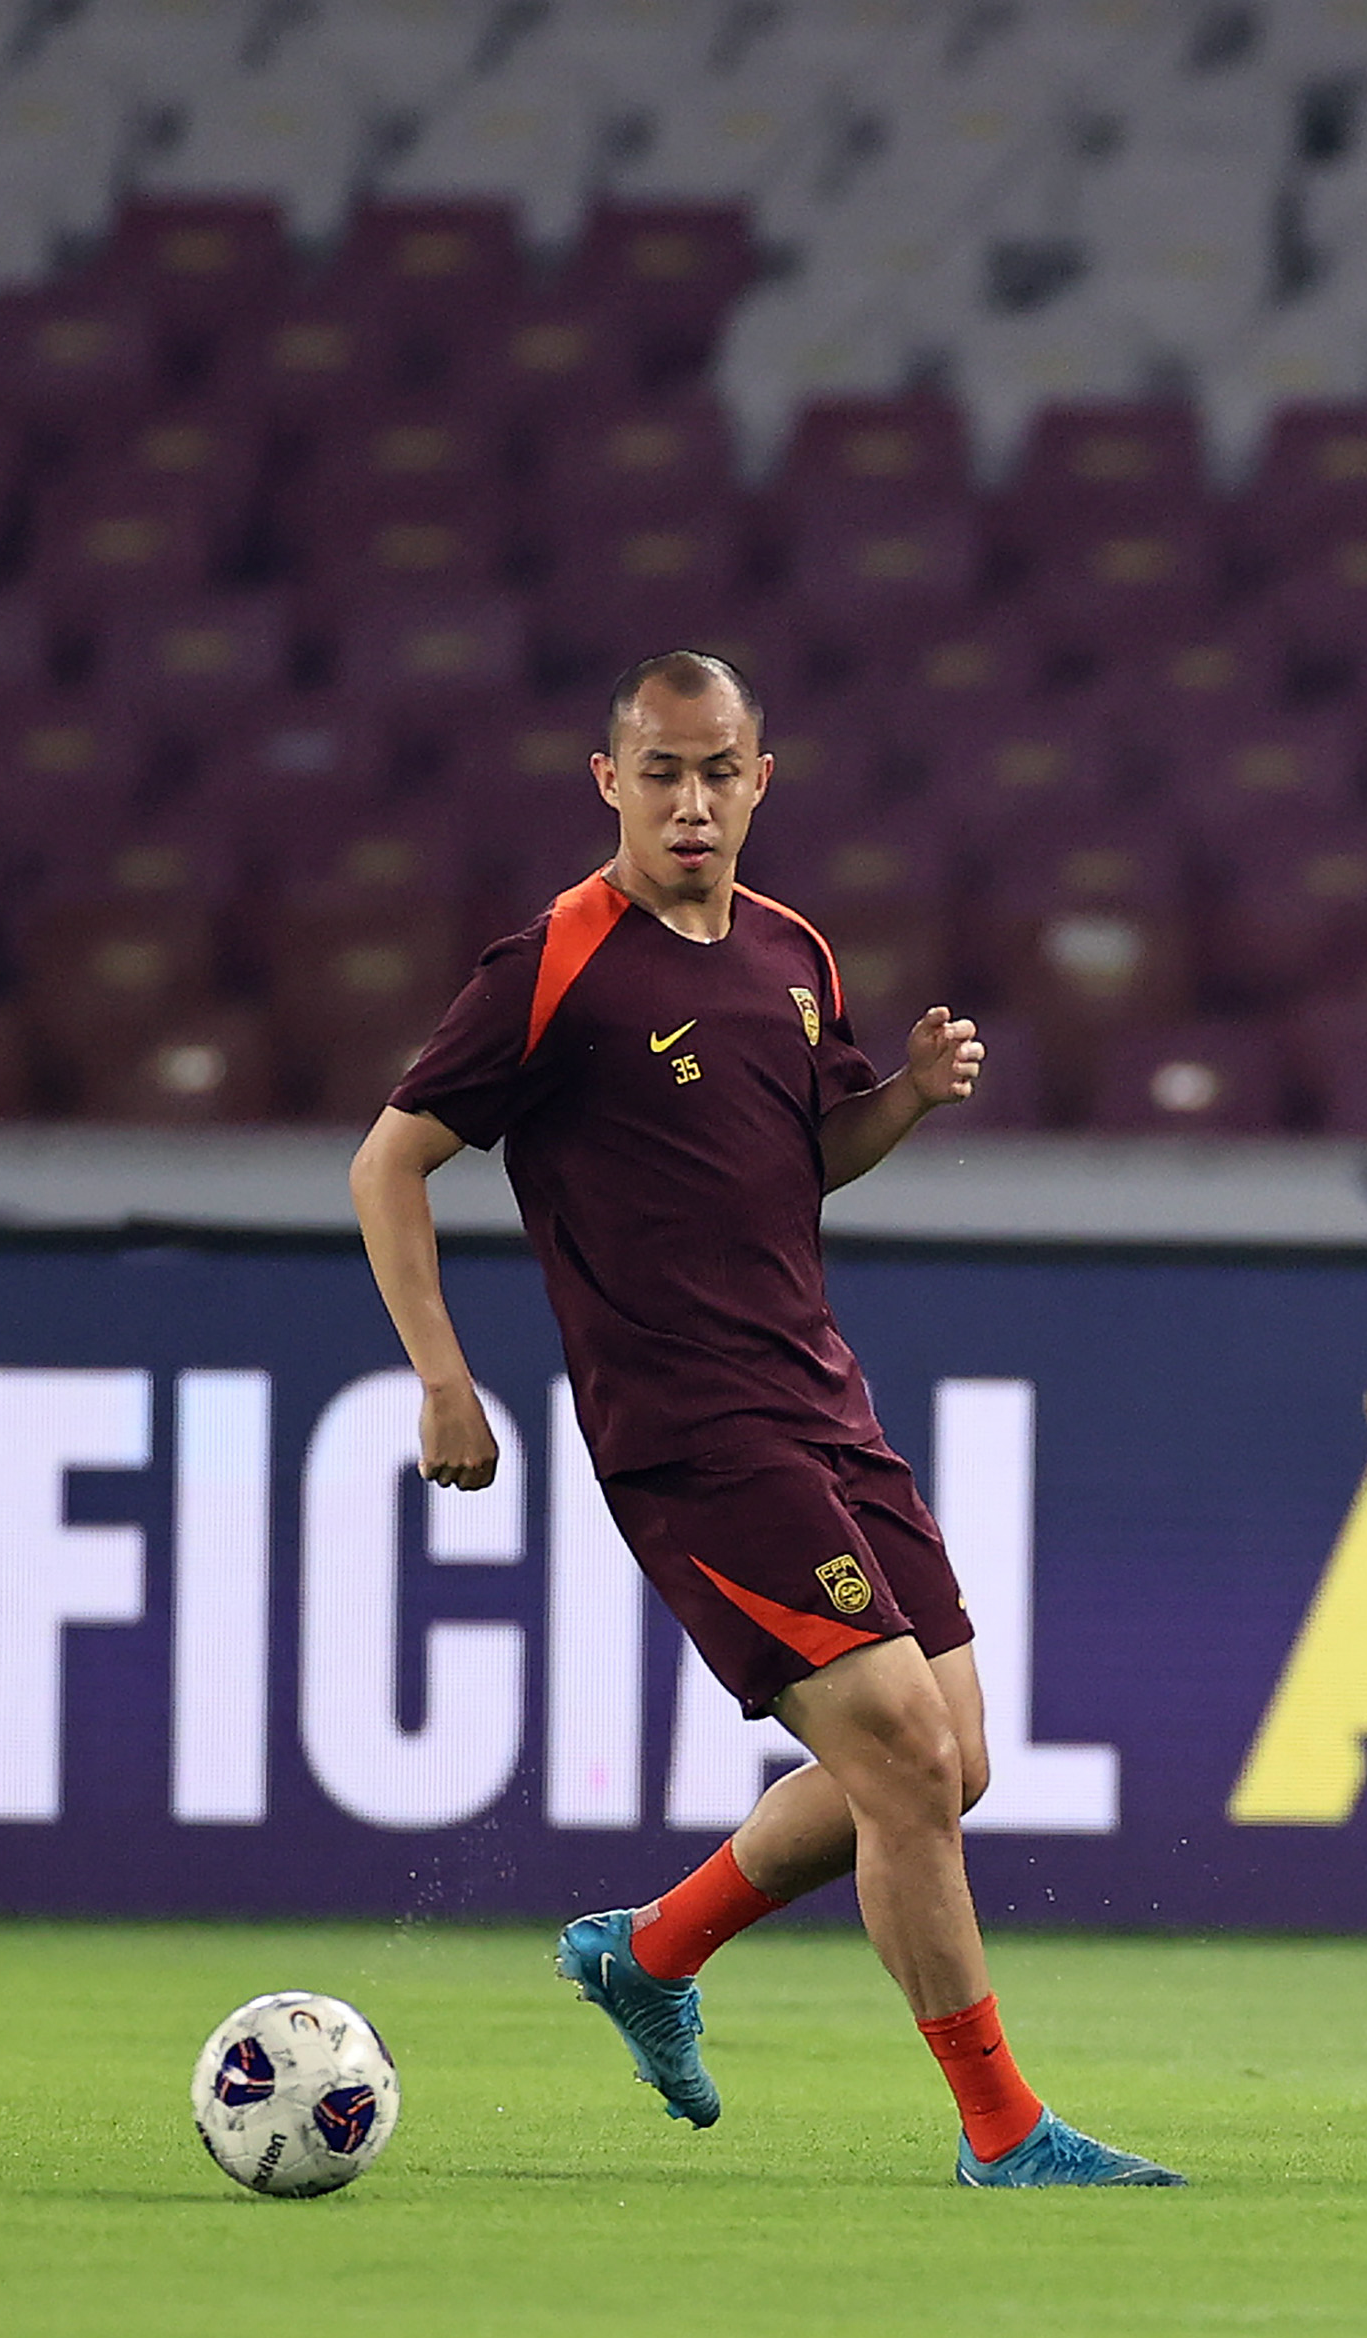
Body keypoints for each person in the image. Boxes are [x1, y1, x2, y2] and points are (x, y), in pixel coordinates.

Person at [348, 650, 1178, 2187]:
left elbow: (799, 1159)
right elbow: (387, 1162)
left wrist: (910, 1097)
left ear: (760, 781)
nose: (689, 798)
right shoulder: (551, 963)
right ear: (609, 781)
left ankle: (650, 1954)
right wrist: (445, 1377)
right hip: (688, 1434)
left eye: (718, 768)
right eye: (658, 769)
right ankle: (1005, 2134)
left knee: (955, 1760)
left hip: (821, 1399)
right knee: (908, 1761)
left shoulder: (794, 951)